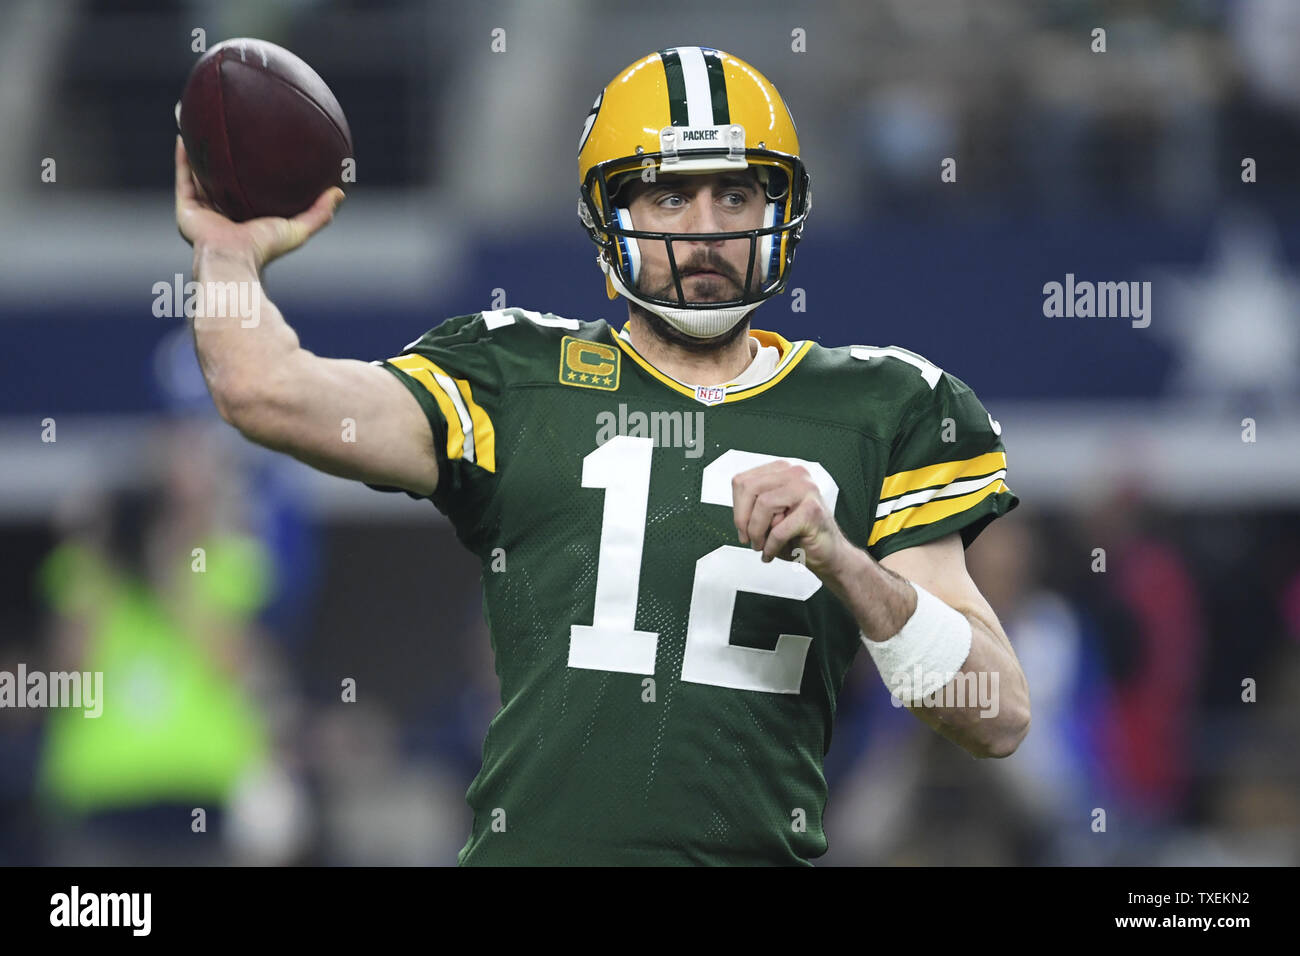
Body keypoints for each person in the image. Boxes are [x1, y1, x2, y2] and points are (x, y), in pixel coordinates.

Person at [175, 46, 1029, 866]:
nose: (703, 232)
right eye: (668, 199)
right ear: (608, 214)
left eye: (735, 197)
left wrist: (845, 562)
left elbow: (996, 713)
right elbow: (265, 391)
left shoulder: (887, 407)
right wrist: (225, 253)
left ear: (779, 209)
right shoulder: (514, 376)